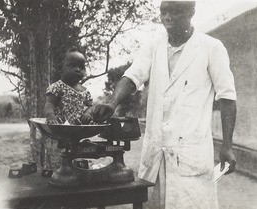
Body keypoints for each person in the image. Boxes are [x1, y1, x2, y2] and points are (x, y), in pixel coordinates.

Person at [90, 1, 237, 208]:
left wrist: (227, 146)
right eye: (163, 11)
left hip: (190, 159)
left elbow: (227, 98)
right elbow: (133, 77)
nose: (167, 17)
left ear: (191, 12)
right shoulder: (153, 47)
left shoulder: (211, 48)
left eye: (175, 11)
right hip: (155, 157)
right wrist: (112, 102)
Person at [44, 48, 93, 125]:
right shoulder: (57, 87)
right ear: (60, 68)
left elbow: (90, 107)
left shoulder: (85, 91)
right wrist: (50, 116)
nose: (78, 70)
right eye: (72, 66)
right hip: (60, 129)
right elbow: (50, 104)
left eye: (81, 67)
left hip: (79, 129)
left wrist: (88, 113)